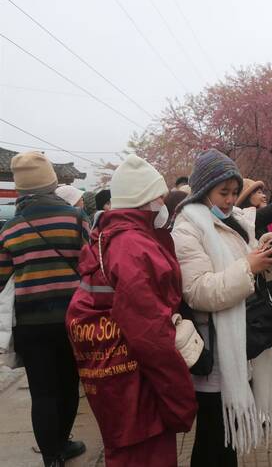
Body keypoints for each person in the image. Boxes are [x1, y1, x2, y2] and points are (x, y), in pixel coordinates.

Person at [66, 155, 197, 466]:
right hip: (138, 388)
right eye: (161, 199)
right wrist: (181, 401)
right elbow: (150, 335)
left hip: (112, 382)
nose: (164, 206)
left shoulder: (107, 237)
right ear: (147, 200)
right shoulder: (135, 247)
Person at [172, 149, 272, 466]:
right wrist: (249, 267)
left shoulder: (234, 222)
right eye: (223, 193)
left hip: (240, 342)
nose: (231, 200)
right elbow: (199, 291)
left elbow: (258, 272)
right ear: (203, 191)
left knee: (226, 435)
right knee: (215, 435)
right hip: (214, 350)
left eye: (233, 192)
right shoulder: (187, 230)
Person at [0, 152, 88, 467]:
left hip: (31, 323)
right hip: (73, 318)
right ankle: (63, 442)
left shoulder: (9, 229)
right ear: (52, 183)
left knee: (43, 391)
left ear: (20, 190)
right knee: (68, 385)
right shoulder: (76, 218)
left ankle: (52, 457)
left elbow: (1, 277)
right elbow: (91, 264)